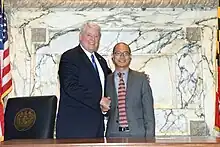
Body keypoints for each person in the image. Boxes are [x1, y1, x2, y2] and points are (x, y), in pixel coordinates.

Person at [56, 22, 111, 138]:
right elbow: (70, 86)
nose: (93, 39)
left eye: (96, 36)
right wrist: (99, 100)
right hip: (75, 127)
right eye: (89, 35)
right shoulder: (69, 57)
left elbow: (111, 81)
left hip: (97, 127)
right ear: (81, 37)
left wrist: (134, 77)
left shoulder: (101, 61)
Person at [103, 42, 155, 138]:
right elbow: (107, 110)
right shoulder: (106, 80)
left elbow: (149, 114)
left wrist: (150, 139)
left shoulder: (141, 79)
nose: (122, 57)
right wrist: (104, 110)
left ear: (130, 57)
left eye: (125, 53)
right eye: (118, 53)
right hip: (113, 135)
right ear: (113, 57)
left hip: (138, 135)